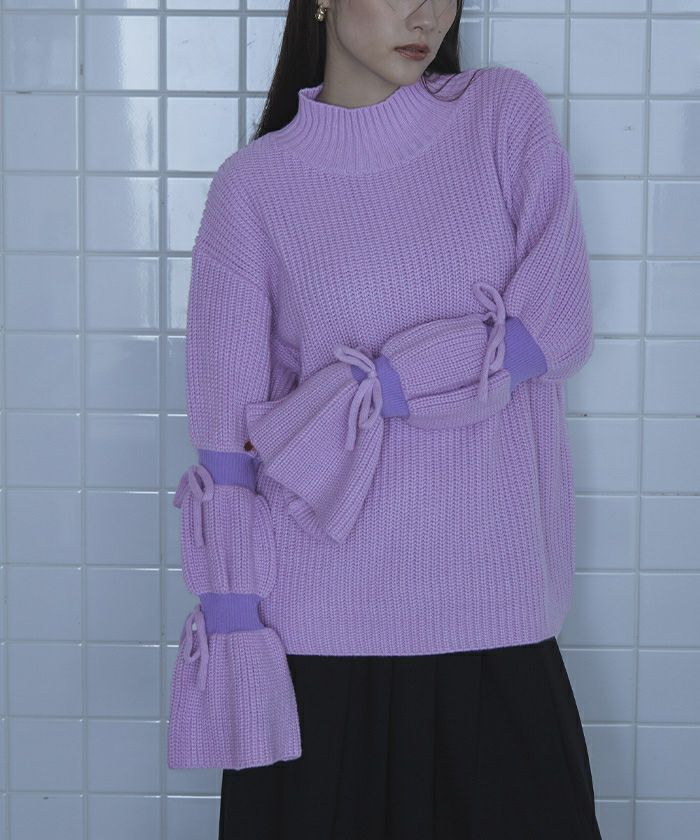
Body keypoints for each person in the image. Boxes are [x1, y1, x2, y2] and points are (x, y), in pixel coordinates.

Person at [167, 0, 604, 837]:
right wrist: (233, 637)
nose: (427, 12)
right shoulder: (255, 187)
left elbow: (554, 324)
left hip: (495, 626)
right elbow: (226, 449)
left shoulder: (500, 115)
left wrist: (379, 386)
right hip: (318, 650)